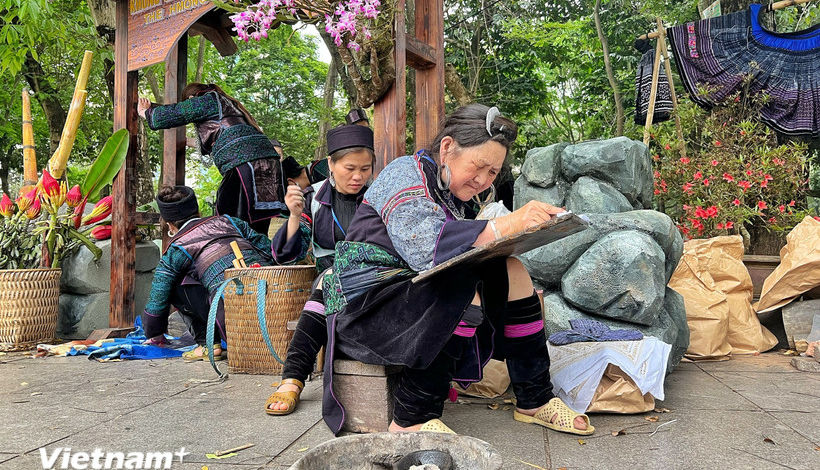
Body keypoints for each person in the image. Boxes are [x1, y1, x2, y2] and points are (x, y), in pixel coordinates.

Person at [321, 104, 594, 436]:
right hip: (364, 307)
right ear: (448, 148)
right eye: (478, 167)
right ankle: (411, 417)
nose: (482, 180)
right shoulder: (404, 172)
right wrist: (507, 223)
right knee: (461, 283)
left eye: (493, 173)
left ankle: (534, 398)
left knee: (513, 270)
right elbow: (426, 251)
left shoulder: (454, 194)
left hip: (409, 295)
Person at [265, 124, 374, 416]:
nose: (358, 176)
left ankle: (293, 378)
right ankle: (293, 376)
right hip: (331, 279)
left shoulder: (379, 196)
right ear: (330, 164)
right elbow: (285, 254)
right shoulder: (312, 198)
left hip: (376, 277)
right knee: (329, 280)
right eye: (350, 167)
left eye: (365, 168)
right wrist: (294, 215)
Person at [142, 185, 275, 361]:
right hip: (275, 303)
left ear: (169, 225)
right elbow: (269, 250)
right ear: (197, 212)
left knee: (171, 282)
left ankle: (208, 344)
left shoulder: (177, 247)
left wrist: (154, 332)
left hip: (235, 323)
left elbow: (158, 298)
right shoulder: (230, 221)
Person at [137, 83, 285, 234]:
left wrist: (145, 112)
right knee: (256, 221)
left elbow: (176, 113)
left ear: (191, 97)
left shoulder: (208, 99)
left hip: (244, 162)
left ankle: (232, 254)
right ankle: (256, 254)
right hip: (269, 163)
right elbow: (226, 135)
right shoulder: (228, 104)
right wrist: (187, 141)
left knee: (227, 220)